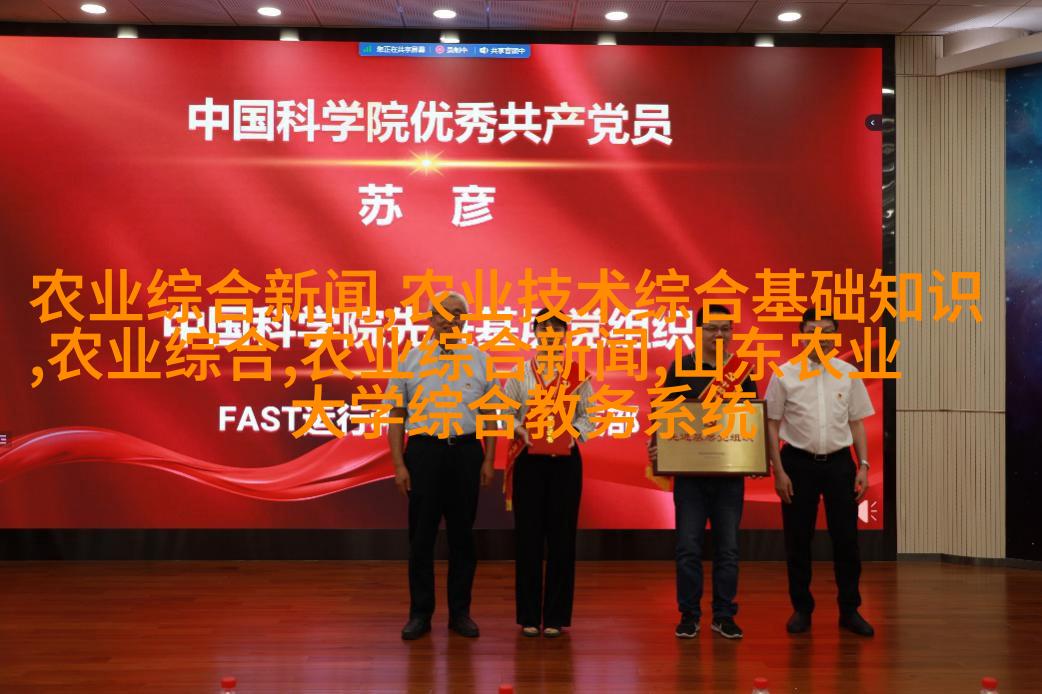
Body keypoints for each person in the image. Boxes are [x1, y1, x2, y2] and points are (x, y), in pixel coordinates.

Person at [387, 291, 497, 641]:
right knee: (421, 538)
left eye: (459, 313)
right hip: (424, 454)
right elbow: (396, 415)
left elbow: (491, 414)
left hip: (466, 453)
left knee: (463, 538)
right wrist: (399, 464)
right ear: (431, 319)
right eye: (444, 313)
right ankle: (420, 614)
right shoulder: (410, 360)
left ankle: (460, 613)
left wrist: (489, 459)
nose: (452, 319)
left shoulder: (480, 360)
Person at [765, 308, 875, 637]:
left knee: (847, 540)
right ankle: (802, 609)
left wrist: (864, 465)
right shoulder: (784, 374)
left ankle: (850, 610)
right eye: (813, 331)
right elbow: (771, 425)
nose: (820, 338)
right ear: (802, 335)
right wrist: (778, 470)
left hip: (840, 464)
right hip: (797, 464)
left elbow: (856, 422)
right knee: (798, 540)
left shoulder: (847, 372)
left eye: (827, 332)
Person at [648, 307, 756, 640]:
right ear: (698, 332)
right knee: (688, 548)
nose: (719, 335)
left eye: (725, 328)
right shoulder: (681, 368)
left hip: (728, 477)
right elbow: (664, 413)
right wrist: (657, 448)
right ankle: (689, 615)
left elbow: (750, 419)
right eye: (712, 328)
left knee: (728, 550)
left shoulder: (740, 372)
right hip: (691, 477)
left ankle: (723, 615)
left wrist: (755, 456)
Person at [503, 308, 594, 638]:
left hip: (566, 462)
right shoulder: (520, 373)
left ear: (565, 336)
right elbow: (505, 412)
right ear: (535, 333)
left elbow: (589, 415)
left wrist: (573, 433)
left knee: (562, 539)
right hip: (530, 460)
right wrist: (520, 430)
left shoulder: (578, 375)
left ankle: (555, 616)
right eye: (544, 329)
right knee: (528, 539)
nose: (550, 336)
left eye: (557, 330)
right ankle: (528, 615)